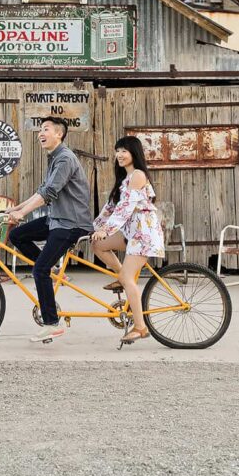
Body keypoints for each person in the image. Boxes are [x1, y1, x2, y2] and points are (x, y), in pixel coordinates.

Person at [8, 116, 93, 343]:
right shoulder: (54, 158)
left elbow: (49, 193)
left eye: (46, 129)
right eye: (40, 130)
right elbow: (43, 190)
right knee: (17, 235)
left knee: (39, 271)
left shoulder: (64, 158)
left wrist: (22, 214)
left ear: (59, 134)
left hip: (71, 223)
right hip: (57, 218)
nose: (40, 134)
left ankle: (51, 323)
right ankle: (53, 270)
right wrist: (16, 208)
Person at [91, 135, 164, 344]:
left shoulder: (139, 175)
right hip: (131, 233)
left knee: (128, 279)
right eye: (117, 151)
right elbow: (111, 208)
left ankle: (140, 327)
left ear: (134, 153)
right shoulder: (124, 180)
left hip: (144, 234)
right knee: (98, 245)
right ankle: (122, 277)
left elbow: (125, 208)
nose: (119, 155)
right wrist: (95, 228)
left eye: (124, 151)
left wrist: (107, 229)